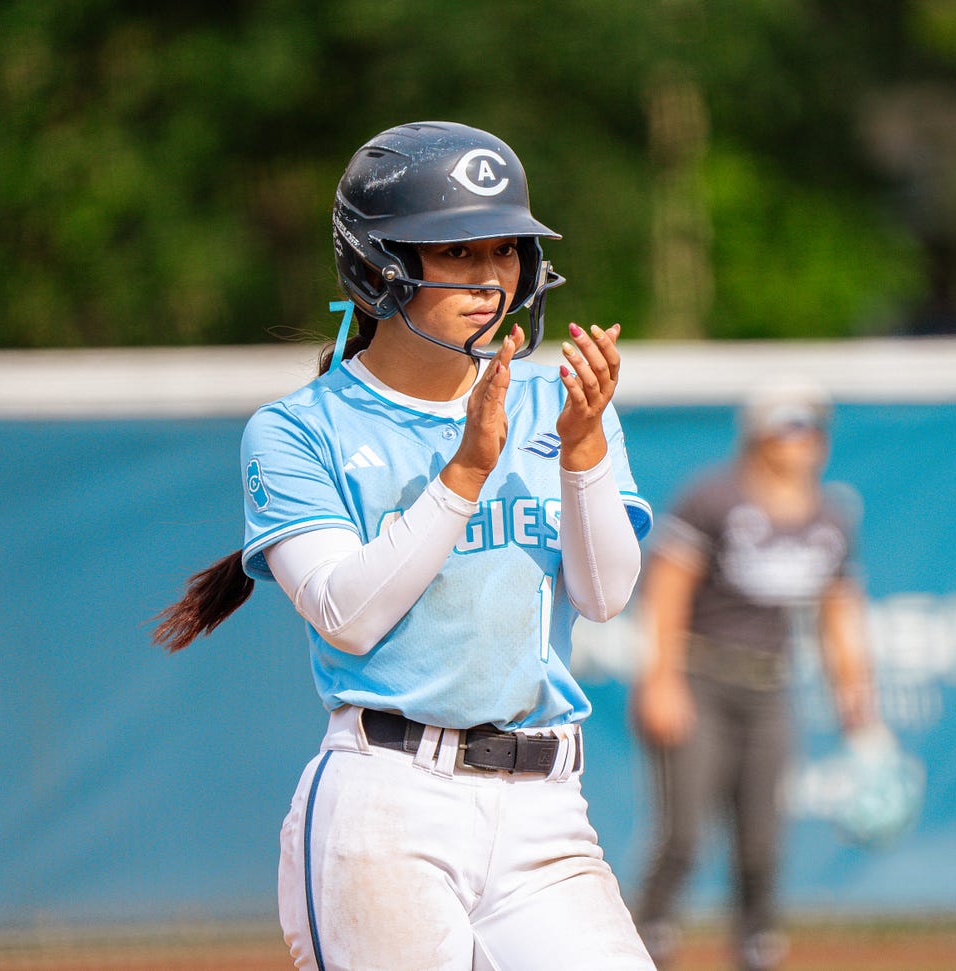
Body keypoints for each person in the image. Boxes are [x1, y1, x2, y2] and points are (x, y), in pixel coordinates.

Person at [154, 121, 658, 971]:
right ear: (378, 265)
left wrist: (582, 451)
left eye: (505, 249)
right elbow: (344, 614)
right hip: (389, 802)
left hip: (545, 809)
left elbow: (605, 595)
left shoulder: (560, 406)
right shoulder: (301, 428)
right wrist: (465, 472)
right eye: (457, 250)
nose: (491, 277)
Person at [629, 381, 887, 971]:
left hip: (769, 687)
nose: (806, 439)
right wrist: (661, 680)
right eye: (792, 424)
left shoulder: (829, 517)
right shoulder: (714, 497)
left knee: (762, 839)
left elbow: (840, 616)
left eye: (814, 427)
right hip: (701, 676)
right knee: (683, 834)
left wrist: (860, 709)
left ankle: (757, 948)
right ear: (759, 434)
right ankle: (646, 943)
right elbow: (666, 590)